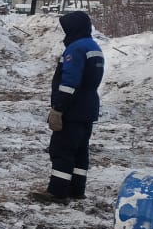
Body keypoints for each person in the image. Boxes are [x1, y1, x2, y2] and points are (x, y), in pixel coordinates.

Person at [35, 11, 105, 205]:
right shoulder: (94, 46)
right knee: (80, 150)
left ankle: (57, 192)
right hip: (88, 107)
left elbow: (69, 82)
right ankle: (76, 190)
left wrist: (58, 108)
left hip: (73, 109)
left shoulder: (75, 49)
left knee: (62, 149)